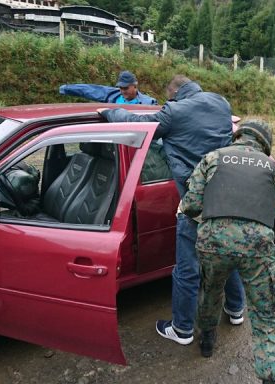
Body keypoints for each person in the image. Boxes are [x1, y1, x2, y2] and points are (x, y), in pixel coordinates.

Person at [97, 75, 245, 345]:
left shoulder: (174, 111)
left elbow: (137, 125)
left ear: (175, 94)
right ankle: (236, 310)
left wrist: (109, 111)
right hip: (228, 196)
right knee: (228, 254)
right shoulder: (220, 102)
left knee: (187, 267)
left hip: (195, 203)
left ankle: (182, 329)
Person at [179, 120, 275, 384]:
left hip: (214, 240)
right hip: (257, 246)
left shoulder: (213, 158)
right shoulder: (272, 167)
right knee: (267, 314)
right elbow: (274, 208)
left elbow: (191, 205)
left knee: (211, 290)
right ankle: (271, 376)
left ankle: (207, 340)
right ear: (265, 143)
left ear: (237, 137)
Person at [60, 70, 157, 105]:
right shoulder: (113, 95)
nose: (122, 91)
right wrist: (66, 89)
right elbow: (90, 90)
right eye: (120, 88)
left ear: (135, 86)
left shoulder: (149, 103)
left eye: (126, 88)